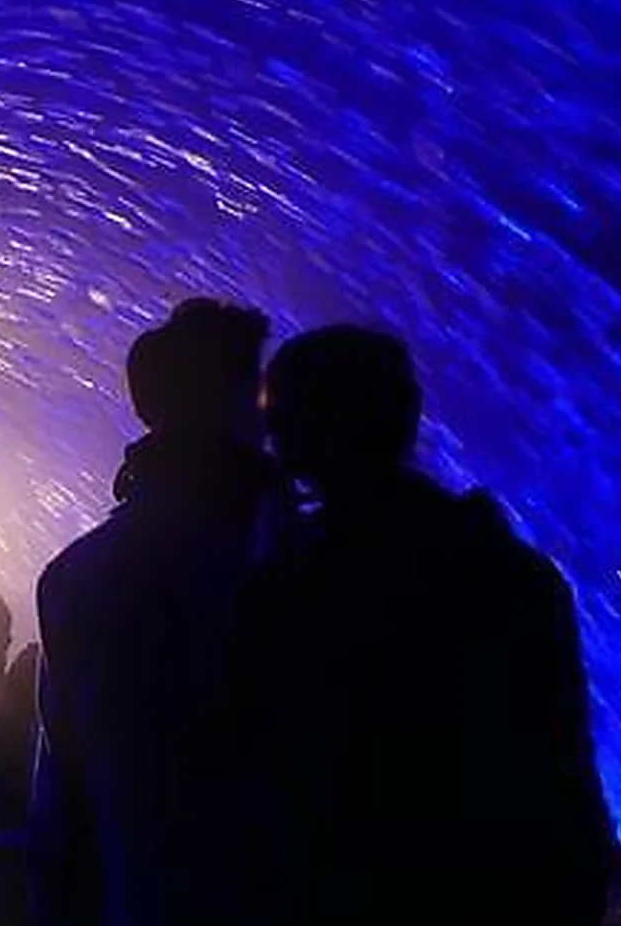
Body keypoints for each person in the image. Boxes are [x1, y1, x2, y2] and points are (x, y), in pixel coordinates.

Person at [258, 324, 613, 926]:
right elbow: (566, 784)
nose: (269, 437)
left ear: (317, 426)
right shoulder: (514, 571)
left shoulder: (309, 586)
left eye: (279, 415)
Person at [30, 297, 288, 926]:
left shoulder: (74, 573)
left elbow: (65, 780)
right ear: (230, 401)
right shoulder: (279, 555)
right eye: (256, 391)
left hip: (137, 890)